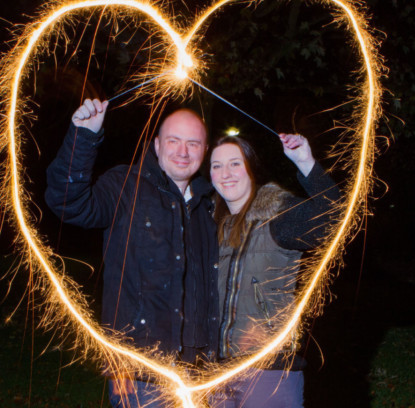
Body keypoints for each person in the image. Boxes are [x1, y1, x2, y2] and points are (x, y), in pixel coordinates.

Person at [45, 99, 219, 408]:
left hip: (200, 378)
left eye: (193, 143)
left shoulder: (210, 207)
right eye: (173, 141)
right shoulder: (125, 186)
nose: (183, 151)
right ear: (156, 145)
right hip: (140, 378)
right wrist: (83, 138)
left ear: (204, 151)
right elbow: (68, 202)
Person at [208, 134, 340, 408]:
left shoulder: (277, 217)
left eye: (235, 163)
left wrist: (306, 162)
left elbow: (334, 220)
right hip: (218, 374)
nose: (226, 173)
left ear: (251, 168)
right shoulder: (212, 229)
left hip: (269, 372)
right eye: (216, 166)